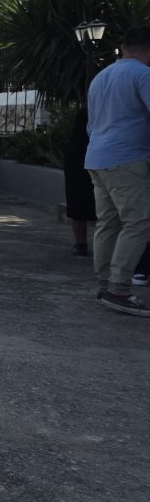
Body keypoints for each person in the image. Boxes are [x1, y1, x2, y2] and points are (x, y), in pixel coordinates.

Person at [84, 25, 150, 315]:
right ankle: (119, 289)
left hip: (97, 158)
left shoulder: (101, 77)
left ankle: (105, 284)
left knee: (108, 223)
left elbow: (91, 124)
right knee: (138, 223)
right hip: (128, 158)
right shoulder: (143, 75)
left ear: (124, 47)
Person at [63, 104, 95, 257]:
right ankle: (81, 243)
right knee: (77, 203)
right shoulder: (90, 112)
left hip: (83, 157)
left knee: (77, 204)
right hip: (81, 159)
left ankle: (81, 244)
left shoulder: (88, 110)